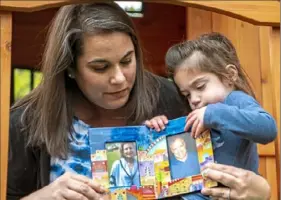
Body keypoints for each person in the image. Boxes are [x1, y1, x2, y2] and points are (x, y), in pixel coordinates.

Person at [6, 2, 272, 200]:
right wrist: (44, 196)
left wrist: (261, 190)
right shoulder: (25, 122)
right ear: (70, 68)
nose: (120, 78)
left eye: (127, 60)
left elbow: (229, 159)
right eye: (100, 67)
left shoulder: (175, 97)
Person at [145, 32, 277, 200]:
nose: (194, 99)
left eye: (200, 87)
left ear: (230, 75)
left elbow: (268, 128)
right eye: (187, 94)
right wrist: (160, 127)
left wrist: (213, 113)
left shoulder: (234, 100)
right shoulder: (199, 112)